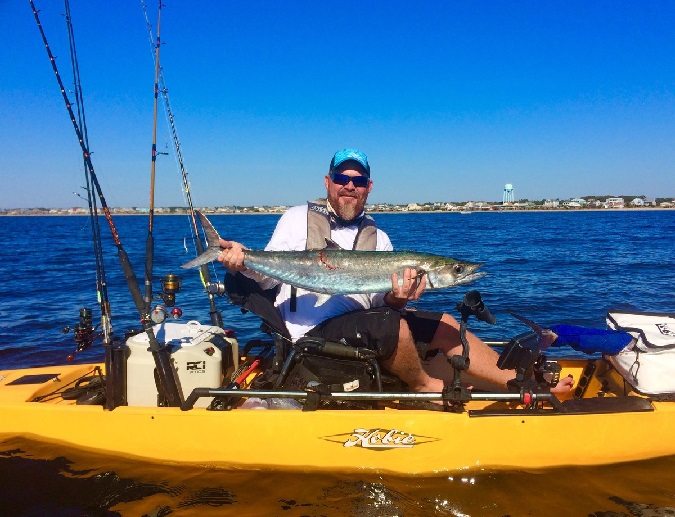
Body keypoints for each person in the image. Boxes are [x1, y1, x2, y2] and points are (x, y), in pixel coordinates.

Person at [217, 148, 574, 394]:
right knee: (391, 325)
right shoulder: (296, 218)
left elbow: (383, 302)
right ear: (328, 181)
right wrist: (242, 261)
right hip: (309, 330)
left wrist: (397, 299)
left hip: (362, 322)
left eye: (359, 180)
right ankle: (422, 384)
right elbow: (266, 277)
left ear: (368, 188)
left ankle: (521, 383)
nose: (350, 186)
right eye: (343, 177)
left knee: (442, 323)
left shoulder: (380, 238)